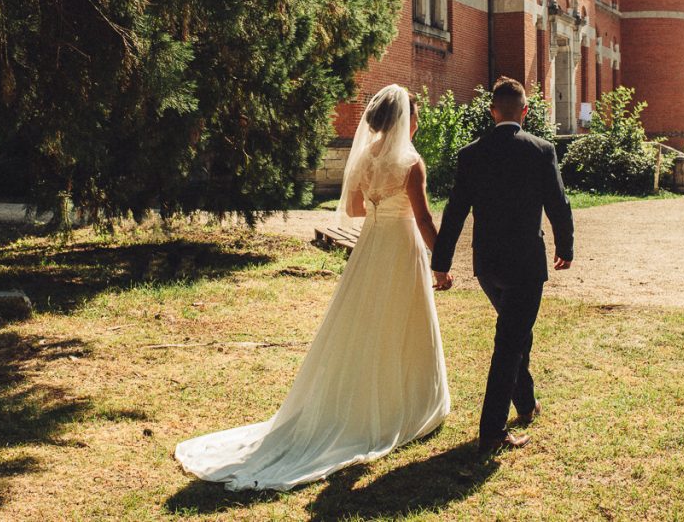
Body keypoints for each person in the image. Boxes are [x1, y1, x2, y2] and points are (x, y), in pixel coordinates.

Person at [175, 84, 450, 491]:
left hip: (371, 248)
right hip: (400, 248)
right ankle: (404, 404)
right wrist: (441, 264)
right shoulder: (411, 163)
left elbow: (355, 208)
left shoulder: (367, 158)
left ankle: (363, 401)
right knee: (401, 319)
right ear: (404, 121)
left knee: (362, 323)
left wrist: (381, 205)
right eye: (414, 115)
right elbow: (425, 220)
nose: (417, 122)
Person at [430, 76, 574, 459]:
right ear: (524, 112)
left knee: (516, 334)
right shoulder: (541, 150)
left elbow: (454, 212)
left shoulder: (471, 154)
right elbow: (558, 203)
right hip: (526, 263)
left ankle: (525, 405)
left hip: (487, 266)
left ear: (492, 112)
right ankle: (492, 432)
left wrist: (441, 263)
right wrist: (566, 246)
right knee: (510, 341)